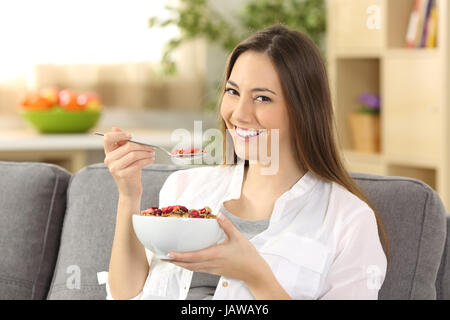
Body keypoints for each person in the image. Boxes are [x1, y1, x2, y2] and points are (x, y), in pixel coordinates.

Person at [102, 24, 388, 300]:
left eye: (262, 98)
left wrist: (255, 276)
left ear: (303, 109)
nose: (239, 114)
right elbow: (125, 294)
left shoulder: (349, 220)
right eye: (233, 92)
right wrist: (129, 194)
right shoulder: (184, 189)